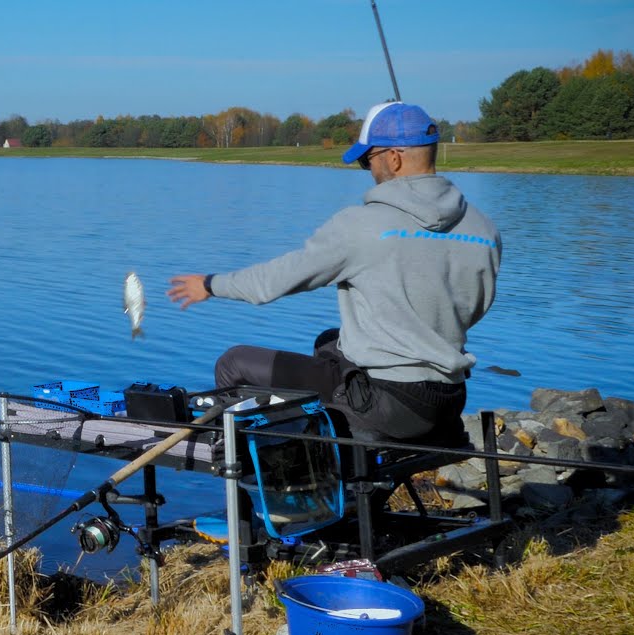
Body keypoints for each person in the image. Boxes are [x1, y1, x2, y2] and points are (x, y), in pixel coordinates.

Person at [167, 102, 501, 444]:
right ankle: (327, 436)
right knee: (329, 342)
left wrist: (210, 284)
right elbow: (474, 307)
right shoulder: (483, 228)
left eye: (367, 160)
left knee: (234, 363)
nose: (368, 170)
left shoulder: (362, 225)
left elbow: (273, 282)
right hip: (449, 398)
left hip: (388, 403)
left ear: (394, 158)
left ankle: (266, 469)